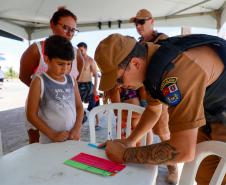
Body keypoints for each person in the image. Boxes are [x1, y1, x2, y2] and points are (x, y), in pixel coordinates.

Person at [94, 33, 226, 185]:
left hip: (220, 114)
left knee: (220, 176)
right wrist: (130, 141)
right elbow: (153, 110)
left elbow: (183, 150)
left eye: (118, 79)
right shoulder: (152, 65)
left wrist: (125, 154)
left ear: (136, 63)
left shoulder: (176, 72)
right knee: (204, 175)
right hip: (211, 113)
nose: (118, 86)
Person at [19, 7, 84, 144]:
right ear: (52, 25)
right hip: (42, 114)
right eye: (65, 27)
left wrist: (77, 127)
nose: (69, 33)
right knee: (38, 149)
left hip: (67, 118)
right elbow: (24, 76)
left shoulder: (77, 54)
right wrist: (43, 91)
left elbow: (74, 86)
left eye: (73, 30)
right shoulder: (36, 50)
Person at [77, 42, 100, 129]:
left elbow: (96, 75)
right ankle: (82, 116)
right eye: (79, 51)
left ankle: (97, 122)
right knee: (77, 104)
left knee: (95, 100)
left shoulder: (90, 60)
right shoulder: (76, 60)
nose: (80, 52)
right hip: (78, 84)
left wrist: (95, 88)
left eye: (82, 50)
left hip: (88, 85)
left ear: (86, 49)